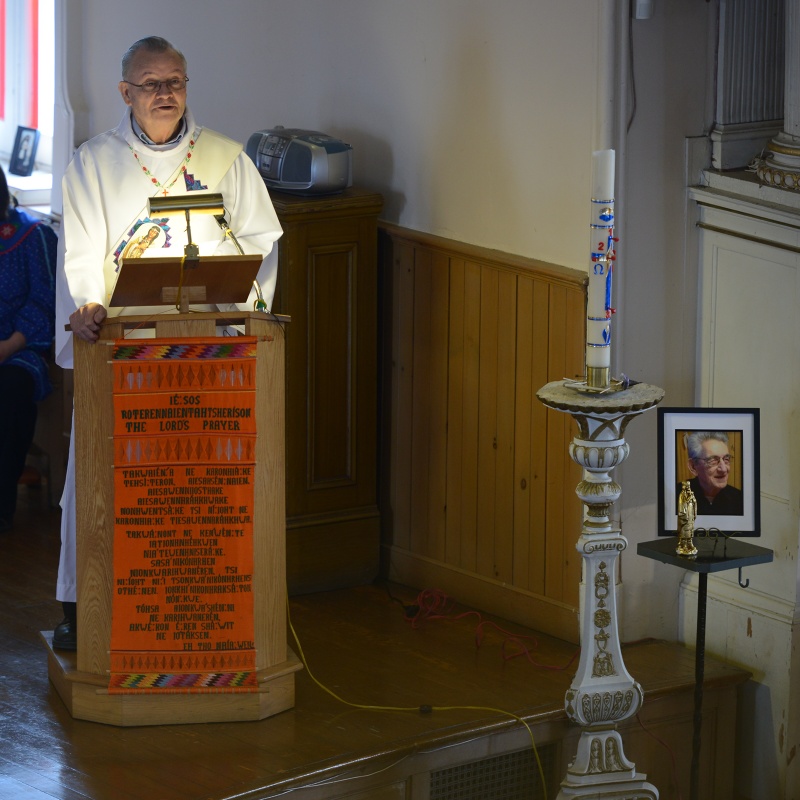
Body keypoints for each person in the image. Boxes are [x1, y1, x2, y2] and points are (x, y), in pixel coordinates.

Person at [52, 36, 283, 650]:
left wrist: (245, 315)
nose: (165, 94)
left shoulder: (226, 159)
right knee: (100, 475)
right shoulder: (93, 163)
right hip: (124, 349)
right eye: (151, 83)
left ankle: (210, 608)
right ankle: (86, 608)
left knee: (201, 479)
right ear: (125, 92)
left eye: (174, 81)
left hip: (208, 353)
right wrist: (89, 306)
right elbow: (81, 252)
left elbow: (261, 245)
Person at [0, 167, 57, 533]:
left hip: (19, 346)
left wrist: (9, 345)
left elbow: (43, 300)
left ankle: (2, 507)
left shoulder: (31, 236)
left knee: (10, 389)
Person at [679, 431, 744, 517]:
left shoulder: (739, 498)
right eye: (713, 460)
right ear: (693, 466)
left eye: (726, 459)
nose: (724, 469)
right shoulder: (676, 497)